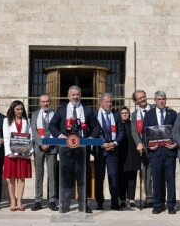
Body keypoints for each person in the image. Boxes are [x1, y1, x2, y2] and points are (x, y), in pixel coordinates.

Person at [48, 85, 100, 213]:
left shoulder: (87, 110)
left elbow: (96, 126)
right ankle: (65, 204)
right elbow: (52, 126)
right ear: (68, 96)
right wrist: (60, 136)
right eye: (73, 95)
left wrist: (91, 137)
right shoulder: (61, 110)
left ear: (80, 96)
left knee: (83, 178)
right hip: (66, 151)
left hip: (82, 151)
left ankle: (83, 204)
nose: (76, 97)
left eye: (78, 94)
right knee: (66, 177)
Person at [143, 90, 178, 215]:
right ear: (155, 100)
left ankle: (171, 205)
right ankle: (158, 204)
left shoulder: (172, 114)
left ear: (166, 100)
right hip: (155, 152)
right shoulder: (149, 114)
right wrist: (148, 145)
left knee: (170, 179)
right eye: (159, 99)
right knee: (157, 179)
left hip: (169, 151)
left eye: (163, 99)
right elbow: (144, 132)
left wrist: (176, 144)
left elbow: (177, 131)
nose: (161, 101)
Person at [94, 93, 125, 211]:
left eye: (111, 102)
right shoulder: (95, 114)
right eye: (107, 102)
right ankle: (99, 202)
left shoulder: (116, 115)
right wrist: (101, 144)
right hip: (100, 151)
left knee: (113, 177)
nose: (109, 104)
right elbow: (93, 132)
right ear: (101, 102)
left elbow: (121, 132)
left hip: (113, 150)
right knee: (99, 177)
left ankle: (115, 203)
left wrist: (115, 143)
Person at [3, 100, 33, 211]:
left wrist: (31, 150)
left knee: (21, 178)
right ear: (13, 110)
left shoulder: (27, 121)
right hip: (11, 154)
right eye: (17, 109)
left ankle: (20, 201)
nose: (19, 111)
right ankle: (12, 201)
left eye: (21, 109)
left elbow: (30, 137)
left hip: (23, 153)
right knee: (10, 178)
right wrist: (8, 152)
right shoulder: (6, 121)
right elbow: (6, 137)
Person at [30, 94, 58, 211]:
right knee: (39, 175)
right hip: (39, 148)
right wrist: (41, 143)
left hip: (52, 148)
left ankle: (52, 200)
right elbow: (34, 131)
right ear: (39, 103)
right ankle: (38, 200)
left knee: (52, 175)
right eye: (43, 102)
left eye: (47, 101)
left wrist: (49, 143)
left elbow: (57, 129)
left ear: (50, 102)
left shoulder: (55, 114)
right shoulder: (35, 114)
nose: (45, 103)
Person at [129, 90, 153, 208]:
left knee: (159, 174)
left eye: (144, 97)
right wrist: (138, 143)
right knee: (146, 174)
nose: (143, 99)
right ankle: (149, 198)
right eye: (140, 98)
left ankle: (160, 198)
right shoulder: (135, 114)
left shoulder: (154, 108)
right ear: (136, 101)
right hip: (144, 148)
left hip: (158, 146)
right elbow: (134, 131)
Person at [118, 107, 140, 208]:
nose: (125, 114)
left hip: (133, 153)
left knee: (132, 177)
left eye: (126, 113)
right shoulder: (118, 124)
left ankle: (131, 199)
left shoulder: (133, 124)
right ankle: (122, 199)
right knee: (121, 178)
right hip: (121, 154)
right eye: (123, 113)